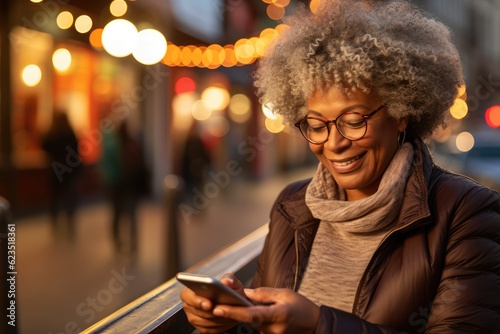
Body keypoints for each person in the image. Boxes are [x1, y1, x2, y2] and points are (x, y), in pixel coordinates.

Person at [180, 0, 500, 332]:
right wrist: (231, 319)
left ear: (401, 111)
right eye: (317, 125)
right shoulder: (293, 207)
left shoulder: (466, 212)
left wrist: (320, 325)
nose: (334, 143)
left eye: (353, 120)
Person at [100, 120, 148, 252]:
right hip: (128, 184)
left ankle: (118, 242)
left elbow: (105, 164)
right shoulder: (132, 142)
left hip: (116, 184)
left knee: (116, 214)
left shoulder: (111, 144)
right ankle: (132, 241)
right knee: (131, 213)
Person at [42, 111, 81, 239]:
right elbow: (77, 152)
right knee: (69, 199)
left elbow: (44, 146)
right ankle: (69, 225)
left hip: (55, 171)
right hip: (68, 171)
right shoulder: (70, 134)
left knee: (55, 199)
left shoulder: (52, 134)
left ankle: (56, 225)